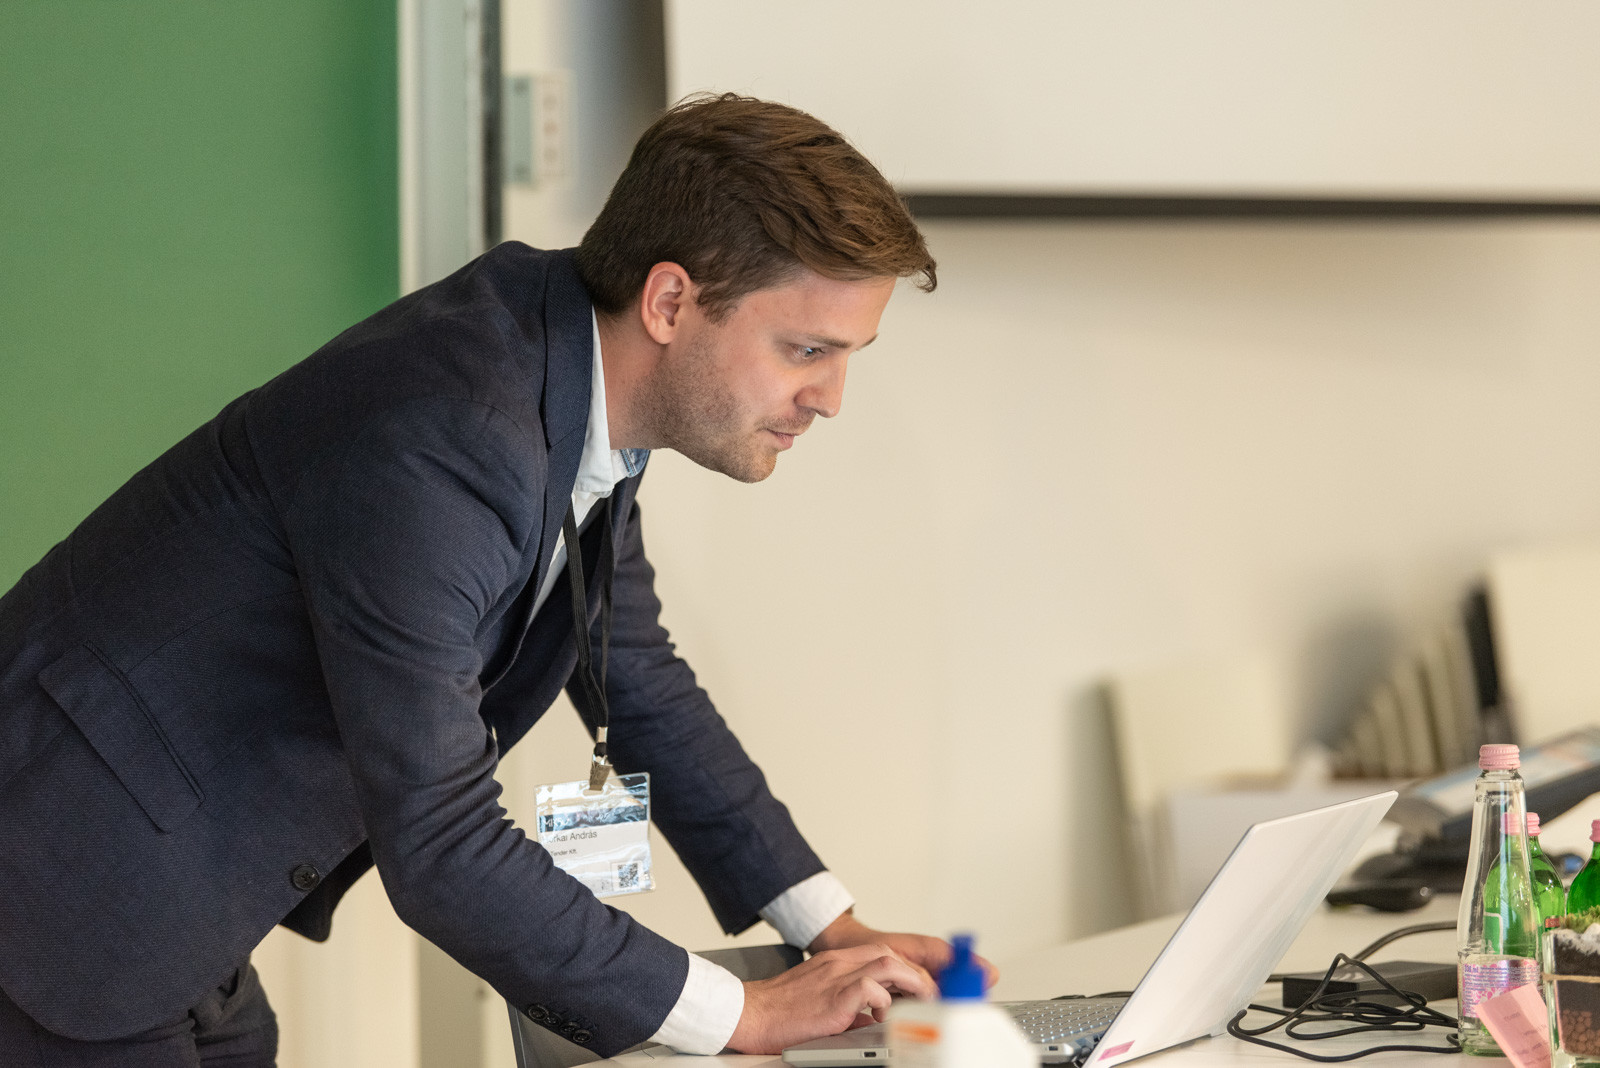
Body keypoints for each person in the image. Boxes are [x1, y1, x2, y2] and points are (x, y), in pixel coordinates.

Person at [0, 93, 986, 1065]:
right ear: (670, 302)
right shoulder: (451, 431)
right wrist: (742, 1014)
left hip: (165, 902)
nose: (830, 398)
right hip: (57, 886)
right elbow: (441, 840)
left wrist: (827, 925)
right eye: (806, 350)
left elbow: (632, 669)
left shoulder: (568, 379)